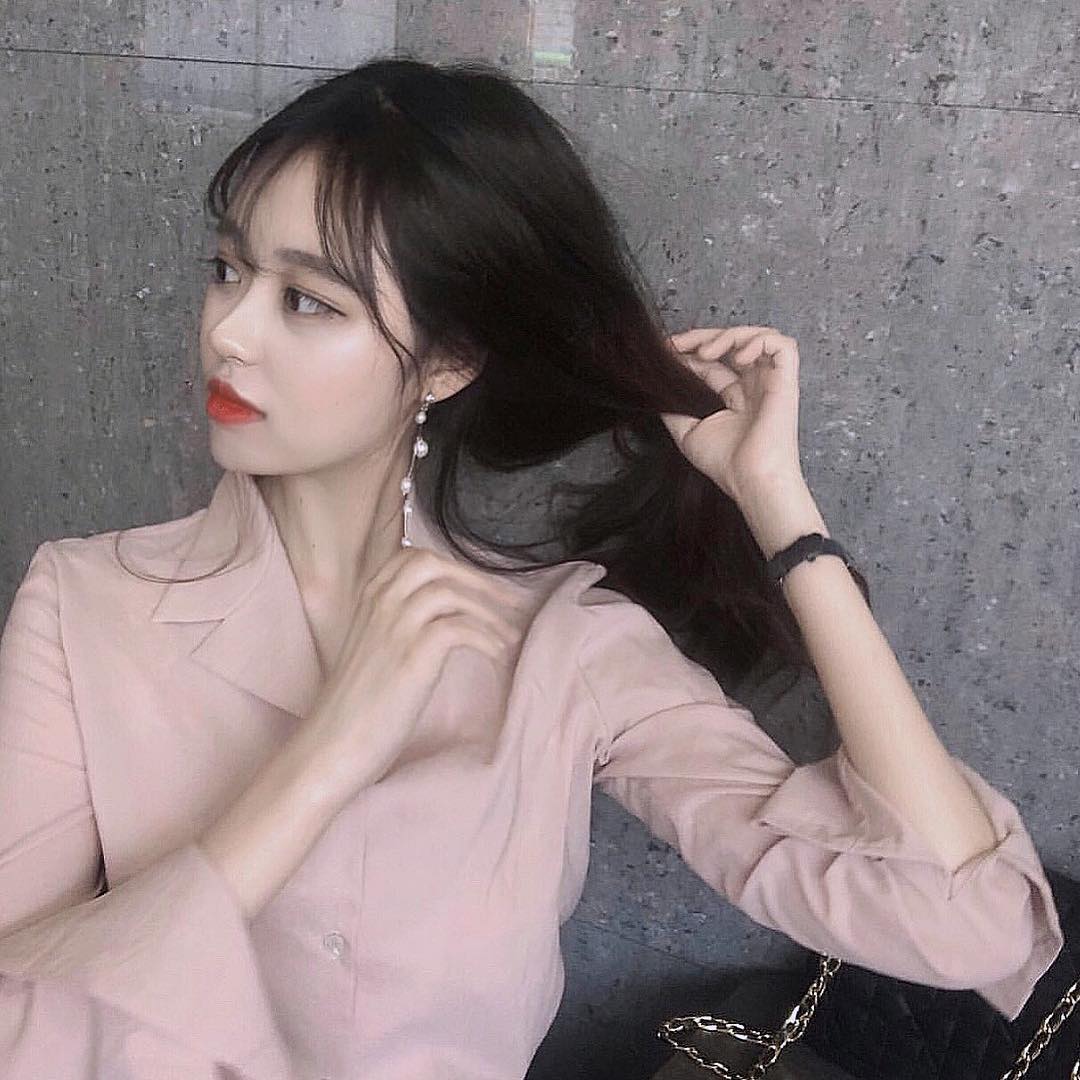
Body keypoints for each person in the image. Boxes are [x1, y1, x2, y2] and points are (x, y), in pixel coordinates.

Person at [0, 55, 1062, 1080]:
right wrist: (327, 755)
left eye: (308, 299)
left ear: (449, 361)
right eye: (228, 269)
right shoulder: (85, 605)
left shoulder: (565, 647)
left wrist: (782, 512)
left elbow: (960, 922)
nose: (228, 331)